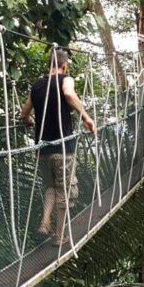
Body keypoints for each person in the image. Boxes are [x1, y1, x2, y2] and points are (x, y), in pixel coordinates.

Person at [20, 48, 95, 246]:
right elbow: (69, 95)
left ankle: (45, 223)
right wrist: (86, 118)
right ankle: (59, 236)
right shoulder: (65, 79)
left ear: (48, 66)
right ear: (64, 66)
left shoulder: (36, 86)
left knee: (51, 187)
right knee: (66, 192)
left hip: (43, 150)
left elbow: (24, 114)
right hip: (63, 149)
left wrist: (30, 121)